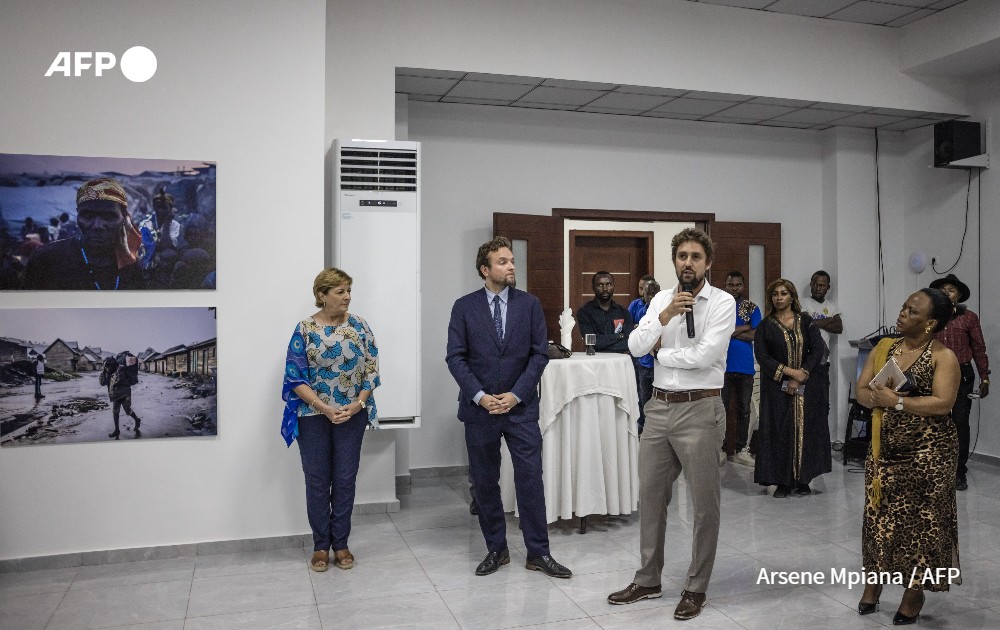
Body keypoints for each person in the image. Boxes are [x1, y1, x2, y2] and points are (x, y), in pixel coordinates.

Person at [608, 228, 735, 621]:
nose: (688, 263)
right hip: (659, 408)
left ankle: (696, 587)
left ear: (707, 262)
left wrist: (661, 353)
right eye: (682, 256)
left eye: (696, 256)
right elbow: (634, 346)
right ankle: (648, 579)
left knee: (704, 505)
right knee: (650, 499)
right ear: (675, 261)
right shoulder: (661, 300)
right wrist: (663, 318)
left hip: (701, 409)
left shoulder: (723, 302)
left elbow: (706, 356)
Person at [446, 236, 572, 579]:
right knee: (485, 482)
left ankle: (538, 553)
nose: (511, 266)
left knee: (530, 479)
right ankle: (496, 550)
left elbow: (539, 355)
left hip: (521, 409)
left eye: (512, 260)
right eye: (502, 262)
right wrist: (480, 395)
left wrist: (516, 394)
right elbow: (455, 357)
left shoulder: (529, 305)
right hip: (479, 410)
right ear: (485, 270)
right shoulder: (464, 307)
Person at [855, 288, 960, 625]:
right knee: (879, 518)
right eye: (904, 307)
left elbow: (943, 403)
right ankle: (873, 583)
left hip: (929, 454)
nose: (903, 313)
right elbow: (861, 390)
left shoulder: (944, 356)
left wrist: (897, 402)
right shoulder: (884, 348)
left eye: (912, 311)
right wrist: (875, 398)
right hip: (884, 450)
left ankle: (914, 594)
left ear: (930, 323)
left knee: (924, 524)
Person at [281, 268, 380, 572]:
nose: (347, 297)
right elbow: (294, 377)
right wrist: (324, 407)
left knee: (345, 479)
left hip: (352, 415)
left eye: (349, 290)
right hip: (313, 416)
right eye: (340, 291)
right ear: (322, 295)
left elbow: (372, 370)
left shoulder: (360, 326)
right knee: (317, 481)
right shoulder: (305, 329)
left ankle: (341, 543)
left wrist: (358, 404)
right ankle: (321, 546)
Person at [753, 279, 830, 497]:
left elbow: (817, 349)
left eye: (783, 293)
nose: (779, 297)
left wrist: (801, 374)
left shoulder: (805, 321)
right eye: (775, 294)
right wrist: (789, 372)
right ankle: (783, 482)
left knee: (807, 430)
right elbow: (762, 356)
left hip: (806, 386)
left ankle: (803, 480)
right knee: (780, 431)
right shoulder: (766, 326)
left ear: (792, 296)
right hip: (776, 388)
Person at [23, 178, 144, 290]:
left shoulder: (131, 264)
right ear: (78, 215)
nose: (97, 226)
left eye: (108, 216)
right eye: (88, 215)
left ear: (124, 217)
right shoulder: (46, 259)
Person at [929, 273, 990, 491]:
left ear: (959, 295)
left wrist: (985, 377)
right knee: (936, 422)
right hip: (934, 373)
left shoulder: (969, 317)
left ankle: (959, 472)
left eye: (951, 290)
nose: (946, 293)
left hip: (962, 374)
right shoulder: (931, 316)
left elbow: (978, 348)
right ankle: (937, 470)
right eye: (943, 289)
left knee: (960, 423)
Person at [722, 271, 760, 466]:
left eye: (738, 285)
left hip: (745, 367)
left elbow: (756, 335)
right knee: (721, 410)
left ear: (743, 287)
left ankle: (741, 450)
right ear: (725, 285)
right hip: (722, 367)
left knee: (745, 410)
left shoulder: (751, 308)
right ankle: (721, 450)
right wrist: (744, 327)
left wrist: (731, 332)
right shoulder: (719, 307)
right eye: (731, 284)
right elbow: (717, 333)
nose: (734, 288)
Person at [799, 270, 843, 438]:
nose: (818, 288)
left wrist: (817, 322)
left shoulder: (832, 306)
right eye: (816, 284)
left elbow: (839, 328)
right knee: (805, 402)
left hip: (824, 362)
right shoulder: (803, 302)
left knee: (823, 403)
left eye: (822, 285)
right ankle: (805, 439)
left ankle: (821, 439)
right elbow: (806, 324)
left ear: (828, 287)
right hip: (806, 360)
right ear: (811, 285)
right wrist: (830, 319)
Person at [629, 279, 659, 434]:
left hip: (658, 364)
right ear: (643, 294)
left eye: (654, 294)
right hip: (643, 363)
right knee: (643, 397)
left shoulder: (663, 310)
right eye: (648, 294)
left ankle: (656, 429)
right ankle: (643, 429)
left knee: (658, 399)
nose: (651, 297)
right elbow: (634, 330)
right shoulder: (640, 309)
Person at [577, 271, 633, 353]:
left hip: (619, 359)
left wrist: (603, 345)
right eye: (600, 285)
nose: (605, 289)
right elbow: (592, 343)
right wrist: (620, 336)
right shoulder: (584, 312)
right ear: (593, 288)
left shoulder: (623, 312)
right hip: (595, 359)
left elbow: (629, 343)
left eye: (609, 284)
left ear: (614, 286)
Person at [139, 189, 184, 270]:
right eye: (158, 207)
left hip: (166, 258)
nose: (161, 211)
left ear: (170, 209)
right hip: (147, 258)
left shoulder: (176, 225)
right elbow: (144, 246)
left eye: (164, 208)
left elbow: (167, 245)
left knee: (170, 254)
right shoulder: (145, 224)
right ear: (154, 208)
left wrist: (167, 223)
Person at [99, 357, 142, 440]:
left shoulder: (120, 370)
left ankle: (137, 419)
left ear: (112, 365)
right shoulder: (107, 372)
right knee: (115, 412)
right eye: (106, 367)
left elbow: (119, 380)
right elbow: (102, 383)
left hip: (124, 393)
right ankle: (117, 430)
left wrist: (116, 374)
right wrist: (103, 373)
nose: (107, 368)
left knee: (127, 410)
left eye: (108, 366)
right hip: (115, 394)